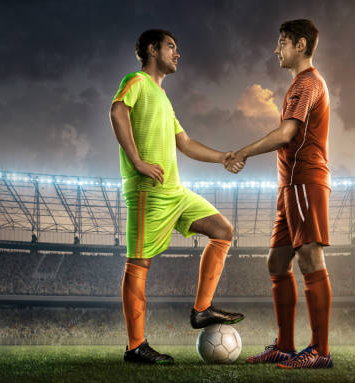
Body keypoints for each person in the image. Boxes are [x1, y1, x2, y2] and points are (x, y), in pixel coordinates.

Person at [110, 29, 244, 365]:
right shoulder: (137, 80)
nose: (177, 53)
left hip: (175, 192)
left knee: (222, 230)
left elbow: (184, 143)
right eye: (171, 47)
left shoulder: (163, 98)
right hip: (148, 193)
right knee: (139, 266)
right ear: (153, 49)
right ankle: (135, 346)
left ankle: (201, 310)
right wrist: (138, 162)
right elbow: (116, 111)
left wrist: (222, 157)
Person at [227, 19, 333, 369]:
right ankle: (285, 347)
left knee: (310, 259)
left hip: (304, 180)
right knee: (276, 262)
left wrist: (243, 151)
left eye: (283, 42)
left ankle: (320, 350)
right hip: (289, 186)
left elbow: (287, 133)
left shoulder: (307, 84)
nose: (277, 49)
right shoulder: (299, 85)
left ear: (300, 45)